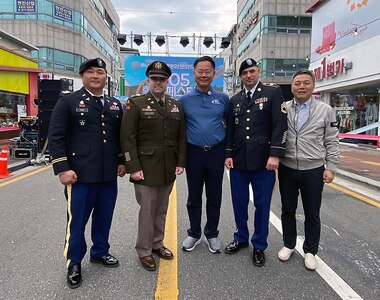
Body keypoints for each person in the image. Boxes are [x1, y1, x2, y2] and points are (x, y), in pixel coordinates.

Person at [48, 58, 126, 289]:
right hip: (79, 176)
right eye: (90, 72)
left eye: (100, 72)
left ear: (105, 77)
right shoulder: (68, 101)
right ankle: (74, 262)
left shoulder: (114, 104)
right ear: (82, 76)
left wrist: (121, 161)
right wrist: (62, 168)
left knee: (104, 217)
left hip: (107, 175)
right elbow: (56, 137)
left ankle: (100, 252)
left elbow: (117, 136)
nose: (95, 76)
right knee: (77, 221)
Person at [120, 61, 187, 271]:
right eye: (154, 79)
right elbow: (127, 137)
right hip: (145, 168)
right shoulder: (136, 103)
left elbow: (181, 137)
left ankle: (158, 244)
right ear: (148, 81)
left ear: (168, 81)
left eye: (162, 79)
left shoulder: (175, 105)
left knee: (161, 210)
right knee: (147, 210)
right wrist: (133, 167)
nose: (158, 82)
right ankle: (144, 250)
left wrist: (180, 162)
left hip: (167, 167)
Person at [224, 58, 288, 267]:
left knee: (262, 206)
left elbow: (280, 124)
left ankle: (259, 245)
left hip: (264, 162)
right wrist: (228, 154)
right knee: (239, 203)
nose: (249, 76)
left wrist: (275, 154)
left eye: (252, 71)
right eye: (245, 73)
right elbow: (231, 131)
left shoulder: (272, 93)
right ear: (241, 76)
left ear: (258, 71)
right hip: (239, 162)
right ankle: (241, 238)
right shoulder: (235, 100)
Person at [277, 69, 339, 270]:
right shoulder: (284, 108)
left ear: (313, 86)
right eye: (297, 83)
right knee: (288, 209)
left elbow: (331, 141)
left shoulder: (325, 110)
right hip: (287, 167)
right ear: (292, 86)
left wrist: (331, 167)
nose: (301, 87)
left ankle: (311, 250)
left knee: (312, 212)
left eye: (306, 83)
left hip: (313, 168)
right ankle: (289, 244)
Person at [179, 56, 229, 253]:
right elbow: (179, 130)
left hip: (216, 153)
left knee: (215, 196)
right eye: (200, 71)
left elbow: (231, 127)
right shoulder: (184, 100)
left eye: (208, 71)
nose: (204, 74)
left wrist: (228, 153)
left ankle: (212, 233)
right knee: (194, 197)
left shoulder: (223, 99)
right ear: (194, 73)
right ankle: (194, 233)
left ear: (214, 74)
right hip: (194, 154)